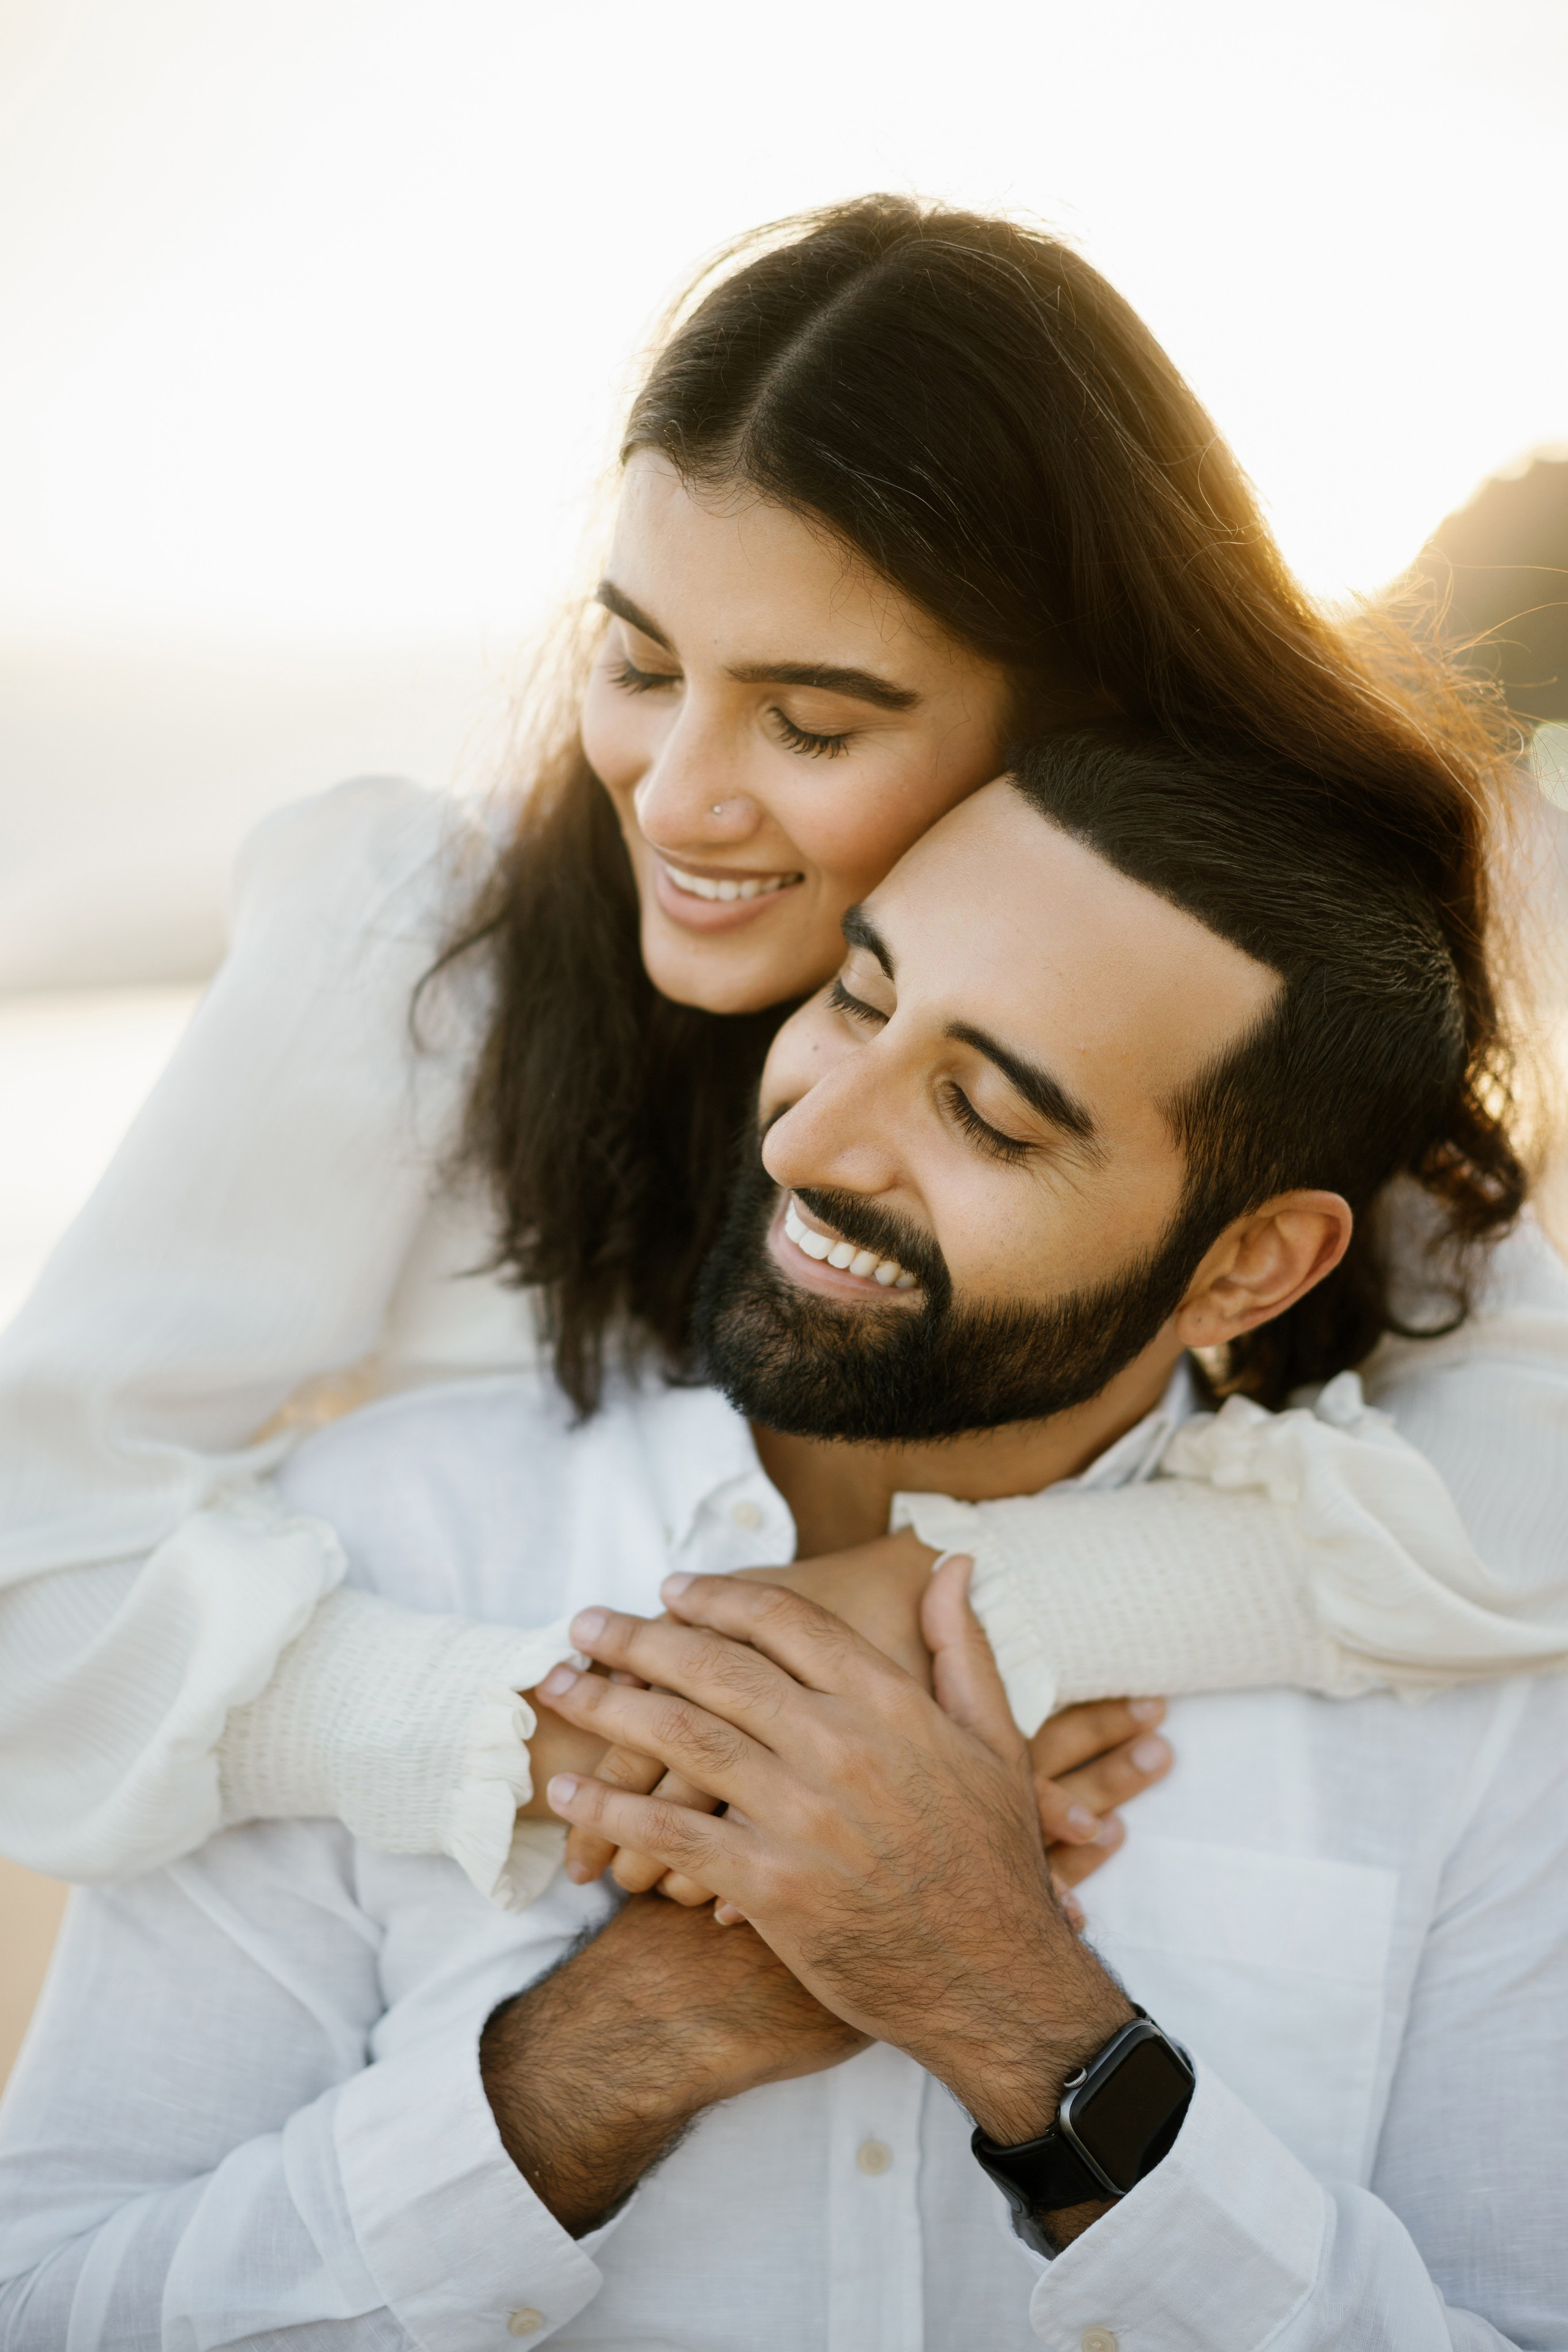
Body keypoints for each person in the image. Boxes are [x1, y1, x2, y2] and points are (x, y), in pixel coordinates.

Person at [1, 198, 1565, 1912]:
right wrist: (580, 1733)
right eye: (640, 663)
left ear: (1071, 730)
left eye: (814, 722)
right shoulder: (420, 945)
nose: (673, 798)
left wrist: (961, 1603)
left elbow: (1535, 1492)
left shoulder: (1200, 1010)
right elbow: (33, 1583)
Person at [3, 733, 1561, 2349]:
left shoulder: (1479, 1707)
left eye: (991, 1118)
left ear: (1251, 1265)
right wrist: (620, 2042)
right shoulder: (367, 1555)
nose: (813, 1142)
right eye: (861, 1000)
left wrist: (1020, 2014)